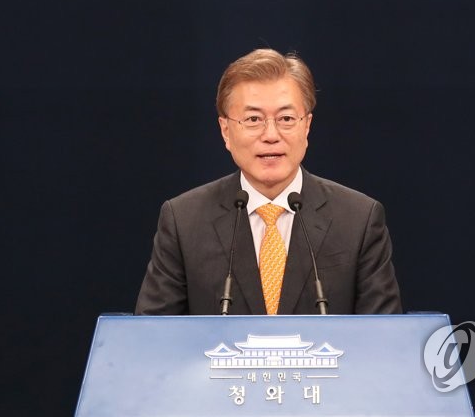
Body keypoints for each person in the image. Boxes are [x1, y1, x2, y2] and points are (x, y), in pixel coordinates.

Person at [135, 48, 402, 315]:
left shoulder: (359, 219)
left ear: (307, 126)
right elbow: (152, 334)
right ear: (225, 131)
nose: (271, 135)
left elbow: (383, 334)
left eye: (286, 119)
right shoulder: (184, 221)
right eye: (253, 119)